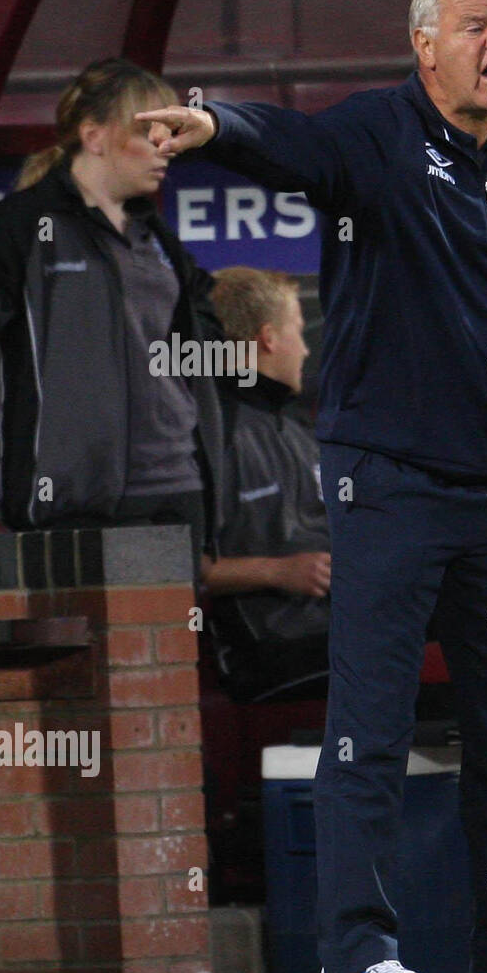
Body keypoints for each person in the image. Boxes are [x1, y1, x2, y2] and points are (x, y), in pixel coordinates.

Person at [140, 0, 487, 973]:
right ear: (423, 45)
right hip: (389, 481)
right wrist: (214, 124)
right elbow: (291, 141)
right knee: (370, 723)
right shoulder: (375, 133)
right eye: (472, 27)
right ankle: (357, 959)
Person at [0, 58, 226, 579]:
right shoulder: (21, 228)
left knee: (171, 656)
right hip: (73, 498)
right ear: (95, 137)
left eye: (170, 133)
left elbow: (204, 336)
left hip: (176, 484)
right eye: (148, 134)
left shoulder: (158, 239)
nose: (166, 146)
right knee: (95, 658)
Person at [203, 267, 331, 704]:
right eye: (299, 331)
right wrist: (278, 572)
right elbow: (171, 569)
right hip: (268, 651)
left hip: (332, 626)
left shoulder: (296, 425)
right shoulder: (209, 435)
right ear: (269, 339)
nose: (306, 348)